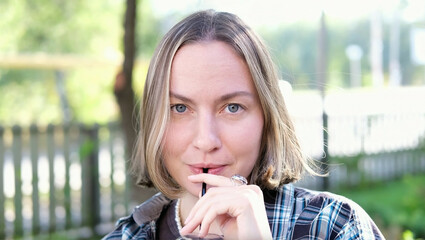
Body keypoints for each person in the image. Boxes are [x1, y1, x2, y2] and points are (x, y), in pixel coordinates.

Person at [103, 10, 384, 240]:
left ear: (267, 118)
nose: (206, 140)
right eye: (180, 108)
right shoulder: (126, 236)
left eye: (232, 108)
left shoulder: (332, 226)